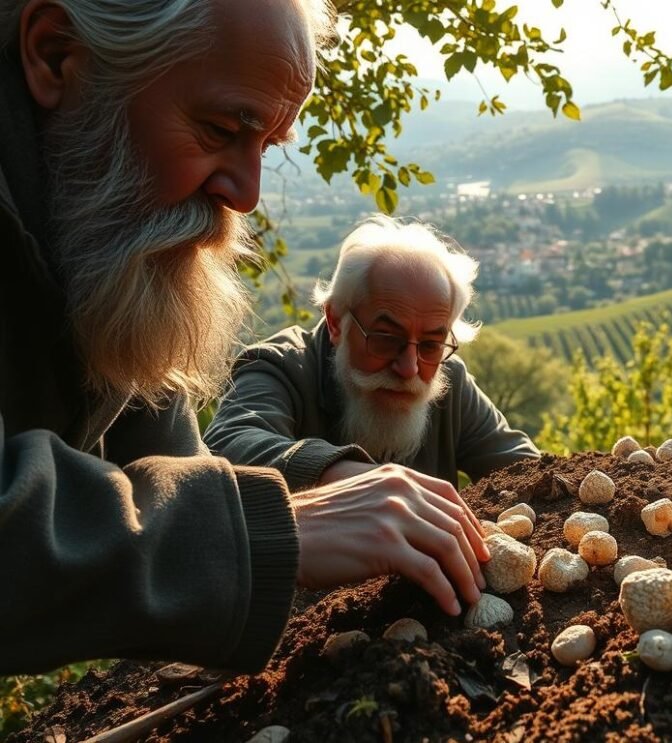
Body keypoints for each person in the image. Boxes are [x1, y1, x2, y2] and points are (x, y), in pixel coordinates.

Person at [1, 0, 492, 677]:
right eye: (220, 128)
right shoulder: (280, 366)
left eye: (266, 146)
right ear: (57, 53)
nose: (246, 194)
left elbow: (170, 470)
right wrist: (280, 526)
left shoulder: (103, 244)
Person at [204, 215, 539, 491]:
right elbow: (228, 446)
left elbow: (530, 474)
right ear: (335, 322)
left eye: (431, 344)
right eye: (386, 338)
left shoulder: (449, 381)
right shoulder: (278, 368)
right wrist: (356, 479)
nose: (409, 368)